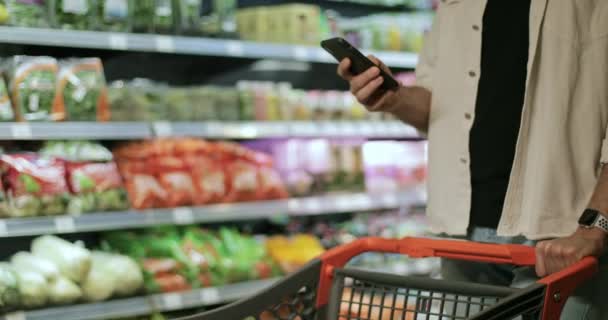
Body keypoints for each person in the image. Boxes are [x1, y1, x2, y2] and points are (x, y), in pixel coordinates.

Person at [337, 0, 608, 319]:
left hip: (563, 236)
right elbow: (437, 106)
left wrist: (595, 226)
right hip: (464, 236)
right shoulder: (454, 4)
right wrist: (395, 98)